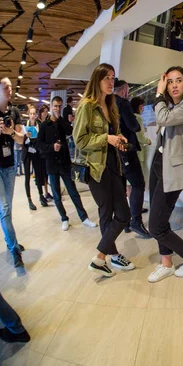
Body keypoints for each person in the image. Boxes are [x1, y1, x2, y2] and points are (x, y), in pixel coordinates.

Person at [73, 63, 135, 278]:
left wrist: (118, 139)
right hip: (96, 168)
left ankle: (100, 257)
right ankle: (113, 256)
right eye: (107, 78)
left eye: (113, 78)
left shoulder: (111, 105)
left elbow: (112, 134)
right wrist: (106, 138)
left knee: (124, 214)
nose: (111, 82)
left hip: (113, 165)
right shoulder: (87, 107)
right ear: (97, 80)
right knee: (106, 214)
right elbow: (79, 140)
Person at [147, 66, 183, 283]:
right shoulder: (175, 106)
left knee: (155, 226)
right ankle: (166, 263)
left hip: (171, 170)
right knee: (159, 220)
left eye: (178, 80)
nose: (173, 85)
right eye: (169, 81)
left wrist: (158, 94)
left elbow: (162, 118)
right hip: (159, 165)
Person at [37, 96, 97, 232]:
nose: (57, 108)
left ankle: (84, 218)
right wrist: (52, 147)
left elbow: (71, 132)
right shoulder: (44, 125)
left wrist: (62, 121)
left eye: (59, 106)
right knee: (57, 195)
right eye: (55, 106)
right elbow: (39, 144)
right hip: (51, 165)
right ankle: (64, 218)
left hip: (64, 164)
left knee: (73, 191)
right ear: (51, 106)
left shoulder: (62, 122)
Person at [114, 79, 150, 238]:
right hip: (127, 149)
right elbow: (134, 126)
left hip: (115, 152)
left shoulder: (107, 104)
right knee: (138, 184)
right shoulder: (123, 103)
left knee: (123, 187)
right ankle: (136, 221)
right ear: (123, 90)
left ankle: (126, 222)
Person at [0, 77, 25, 267]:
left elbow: (22, 140)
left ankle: (9, 240)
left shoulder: (14, 111)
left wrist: (11, 133)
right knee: (4, 209)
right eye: (5, 86)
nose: (9, 89)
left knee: (8, 208)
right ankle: (14, 250)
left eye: (10, 86)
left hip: (9, 166)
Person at [23, 105, 48, 210]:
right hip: (27, 152)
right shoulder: (24, 125)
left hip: (36, 152)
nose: (32, 115)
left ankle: (41, 195)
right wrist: (25, 136)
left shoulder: (39, 125)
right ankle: (29, 199)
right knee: (27, 176)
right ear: (28, 115)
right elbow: (20, 140)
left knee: (38, 173)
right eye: (31, 114)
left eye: (34, 114)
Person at [131, 96, 152, 187]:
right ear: (139, 106)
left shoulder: (131, 117)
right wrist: (148, 141)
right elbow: (140, 136)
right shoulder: (138, 118)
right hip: (139, 150)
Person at [38, 104, 53, 202]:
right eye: (44, 111)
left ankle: (47, 192)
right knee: (41, 174)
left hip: (46, 151)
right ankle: (42, 193)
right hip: (39, 152)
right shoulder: (38, 123)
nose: (45, 113)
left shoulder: (48, 123)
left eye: (47, 111)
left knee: (47, 174)